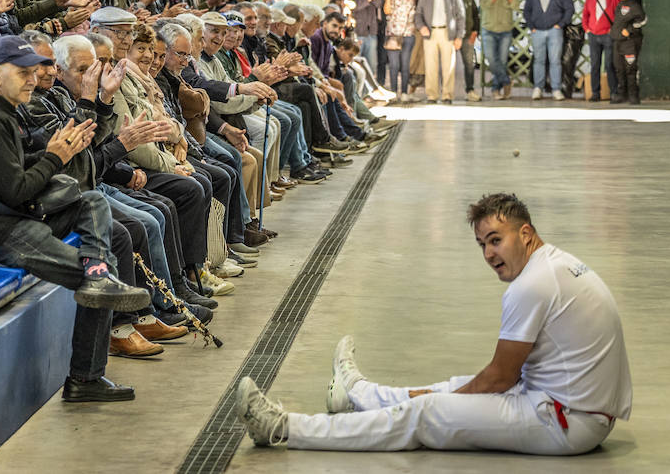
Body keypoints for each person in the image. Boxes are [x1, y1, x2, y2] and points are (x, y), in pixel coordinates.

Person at [239, 192, 631, 456]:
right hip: (567, 407)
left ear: (525, 233)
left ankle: (284, 427)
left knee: (427, 413)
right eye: (482, 244)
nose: (489, 254)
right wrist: (450, 394)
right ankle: (358, 394)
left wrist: (441, 403)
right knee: (451, 387)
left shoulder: (532, 284)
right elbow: (500, 378)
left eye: (496, 240)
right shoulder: (554, 263)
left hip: (567, 423)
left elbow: (500, 378)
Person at [0, 35, 151, 403]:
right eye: (22, 72)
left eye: (35, 70)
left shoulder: (2, 109)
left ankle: (99, 274)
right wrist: (55, 156)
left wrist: (56, 146)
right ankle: (85, 378)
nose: (32, 78)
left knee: (91, 202)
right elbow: (17, 191)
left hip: (17, 217)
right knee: (100, 282)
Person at [522, 0, 574, 101]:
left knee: (555, 61)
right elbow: (527, 10)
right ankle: (538, 88)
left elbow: (569, 9)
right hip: (537, 31)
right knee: (538, 60)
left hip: (554, 31)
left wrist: (560, 25)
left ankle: (556, 89)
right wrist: (531, 26)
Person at [413, 0, 465, 105]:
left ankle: (447, 95)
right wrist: (421, 27)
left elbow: (461, 16)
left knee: (449, 66)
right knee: (430, 66)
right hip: (430, 33)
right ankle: (432, 95)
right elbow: (418, 14)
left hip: (448, 33)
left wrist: (459, 36)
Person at [479, 0, 517, 100]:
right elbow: (482, 4)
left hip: (505, 29)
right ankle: (506, 81)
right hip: (489, 28)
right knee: (491, 59)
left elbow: (516, 6)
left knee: (502, 61)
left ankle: (496, 90)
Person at [580, 0, 618, 102]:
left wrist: (612, 30)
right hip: (594, 35)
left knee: (609, 64)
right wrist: (587, 29)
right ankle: (595, 92)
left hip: (608, 35)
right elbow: (585, 14)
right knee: (595, 64)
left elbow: (618, 14)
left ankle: (614, 92)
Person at [383, 0, 418, 101]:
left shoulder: (416, 0)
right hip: (393, 35)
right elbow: (387, 10)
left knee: (405, 65)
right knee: (394, 65)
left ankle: (404, 92)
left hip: (408, 36)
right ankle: (393, 93)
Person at [610, 0, 645, 105]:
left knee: (630, 68)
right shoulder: (621, 4)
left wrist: (629, 30)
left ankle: (633, 95)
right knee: (619, 68)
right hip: (618, 41)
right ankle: (621, 94)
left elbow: (643, 20)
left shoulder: (635, 5)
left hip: (630, 43)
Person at [449, 0, 480, 101]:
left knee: (469, 64)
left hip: (467, 35)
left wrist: (475, 31)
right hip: (450, 35)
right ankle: (447, 93)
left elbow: (474, 12)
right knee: (448, 66)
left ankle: (470, 90)